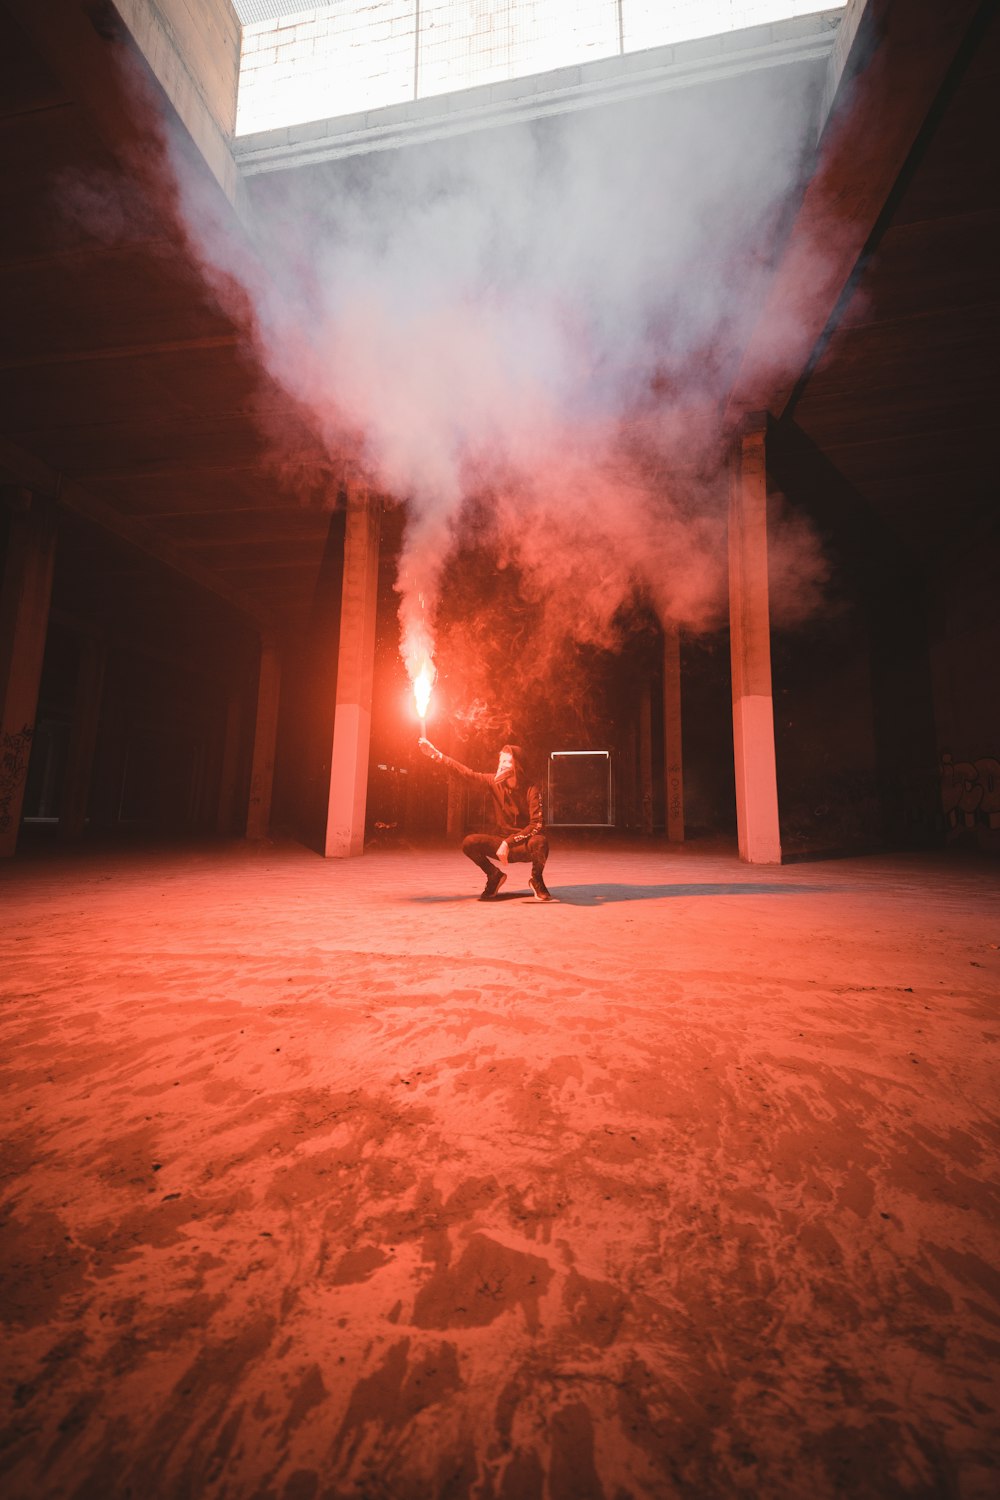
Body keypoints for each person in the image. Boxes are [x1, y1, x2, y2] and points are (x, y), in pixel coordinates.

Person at [418, 738, 553, 901]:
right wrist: (437, 756)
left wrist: (508, 842)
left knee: (540, 842)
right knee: (470, 842)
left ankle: (536, 879)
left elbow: (536, 825)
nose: (501, 764)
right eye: (500, 760)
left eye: (506, 761)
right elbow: (467, 775)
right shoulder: (494, 782)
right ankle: (494, 875)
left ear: (517, 766)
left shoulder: (532, 788)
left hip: (523, 846)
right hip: (501, 846)